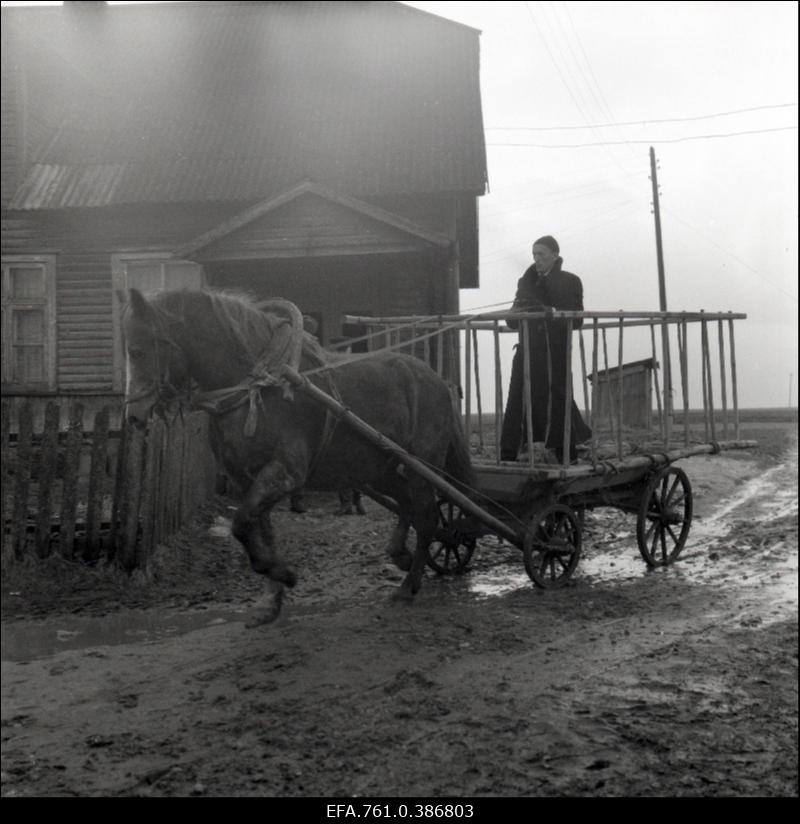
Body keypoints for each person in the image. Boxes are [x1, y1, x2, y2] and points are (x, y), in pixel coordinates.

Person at [499, 235, 592, 464]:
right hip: (528, 352)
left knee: (558, 400)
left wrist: (550, 310)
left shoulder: (571, 281)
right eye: (534, 255)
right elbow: (512, 321)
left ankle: (566, 456)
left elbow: (577, 318)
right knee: (517, 400)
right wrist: (515, 312)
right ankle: (508, 456)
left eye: (541, 254)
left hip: (554, 353)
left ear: (555, 255)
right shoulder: (526, 282)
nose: (537, 259)